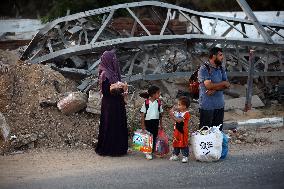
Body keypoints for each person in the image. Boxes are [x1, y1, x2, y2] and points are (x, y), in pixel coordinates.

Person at [95, 50, 128, 156]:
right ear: (107, 60)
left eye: (115, 59)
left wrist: (123, 88)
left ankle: (119, 149)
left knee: (118, 125)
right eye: (112, 59)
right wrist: (118, 88)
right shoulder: (105, 74)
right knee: (110, 126)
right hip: (110, 105)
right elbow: (106, 92)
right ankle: (109, 149)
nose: (114, 61)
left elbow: (118, 89)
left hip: (118, 104)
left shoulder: (115, 72)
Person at [198, 47, 230, 131]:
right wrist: (222, 83)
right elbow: (208, 86)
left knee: (217, 132)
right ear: (213, 56)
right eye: (220, 55)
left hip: (219, 105)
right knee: (205, 132)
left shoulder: (221, 68)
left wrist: (215, 88)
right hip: (207, 106)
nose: (222, 57)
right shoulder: (204, 69)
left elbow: (227, 84)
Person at [140, 85, 163, 160]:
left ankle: (152, 150)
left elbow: (160, 114)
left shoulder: (159, 103)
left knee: (155, 136)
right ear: (153, 94)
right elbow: (143, 115)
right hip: (148, 122)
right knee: (148, 137)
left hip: (155, 122)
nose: (159, 94)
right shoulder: (146, 103)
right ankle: (148, 152)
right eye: (158, 93)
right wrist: (143, 125)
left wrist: (161, 124)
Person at [169, 96, 191, 163]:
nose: (178, 106)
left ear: (184, 106)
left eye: (179, 105)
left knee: (183, 143)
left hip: (183, 131)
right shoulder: (179, 112)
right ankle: (175, 154)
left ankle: (185, 156)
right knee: (176, 141)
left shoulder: (186, 113)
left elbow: (179, 120)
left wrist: (172, 116)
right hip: (177, 130)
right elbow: (173, 115)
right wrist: (172, 112)